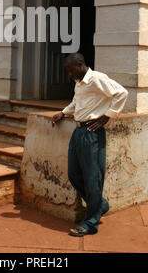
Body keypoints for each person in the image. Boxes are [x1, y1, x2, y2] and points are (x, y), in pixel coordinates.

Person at [52, 52, 128, 237]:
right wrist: (63, 112)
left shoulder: (97, 79)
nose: (69, 74)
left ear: (80, 64)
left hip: (92, 132)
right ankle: (100, 205)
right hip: (78, 132)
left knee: (92, 178)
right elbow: (76, 103)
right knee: (74, 174)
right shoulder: (80, 83)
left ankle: (91, 222)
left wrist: (107, 116)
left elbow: (121, 93)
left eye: (71, 70)